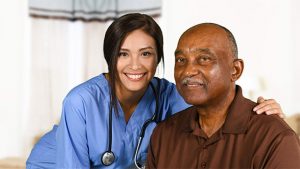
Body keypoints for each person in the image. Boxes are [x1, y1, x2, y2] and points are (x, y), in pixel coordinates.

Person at [26, 14, 284, 169]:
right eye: (123, 54)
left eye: (146, 54)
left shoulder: (172, 95)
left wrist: (263, 112)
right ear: (110, 58)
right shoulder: (80, 101)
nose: (135, 65)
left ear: (158, 58)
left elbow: (217, 110)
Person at [146, 23, 300, 168]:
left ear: (235, 70)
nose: (187, 71)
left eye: (204, 59)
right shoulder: (163, 135)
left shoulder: (274, 137)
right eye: (181, 60)